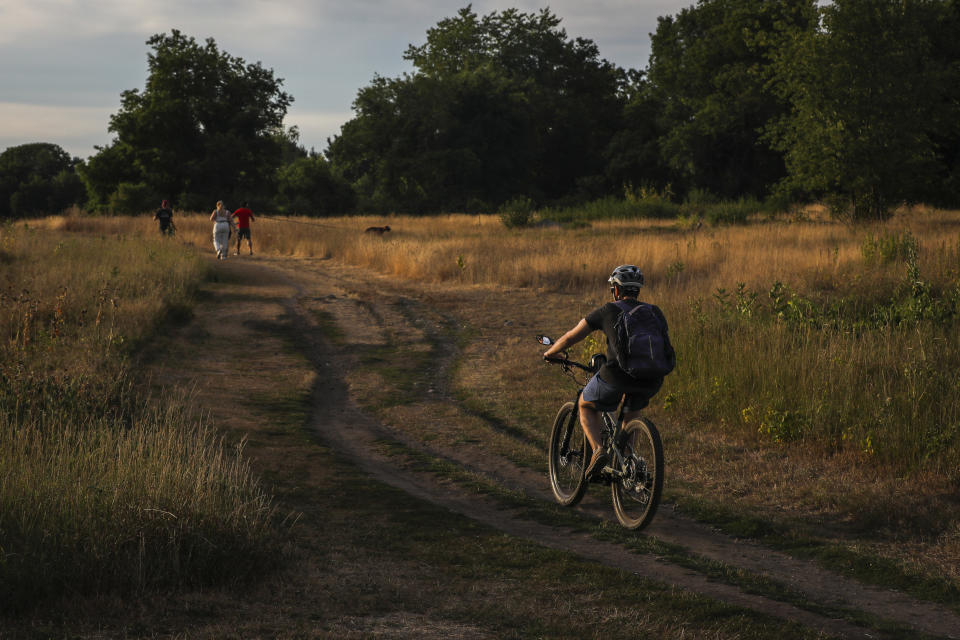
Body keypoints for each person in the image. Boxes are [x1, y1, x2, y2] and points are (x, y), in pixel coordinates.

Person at [542, 264, 675, 479]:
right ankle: (629, 463)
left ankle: (597, 451)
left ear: (616, 290)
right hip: (652, 378)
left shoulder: (608, 310)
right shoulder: (654, 312)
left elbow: (570, 337)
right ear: (636, 290)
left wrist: (551, 353)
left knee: (584, 405)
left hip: (617, 375)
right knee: (632, 410)